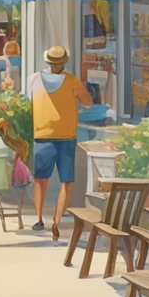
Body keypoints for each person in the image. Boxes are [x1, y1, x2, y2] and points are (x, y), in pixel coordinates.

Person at [30, 45, 93, 240]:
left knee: (41, 179)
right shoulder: (72, 81)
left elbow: (27, 102)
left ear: (47, 61)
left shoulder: (33, 79)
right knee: (66, 181)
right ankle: (56, 221)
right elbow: (88, 102)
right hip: (66, 136)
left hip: (42, 135)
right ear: (64, 62)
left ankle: (39, 219)